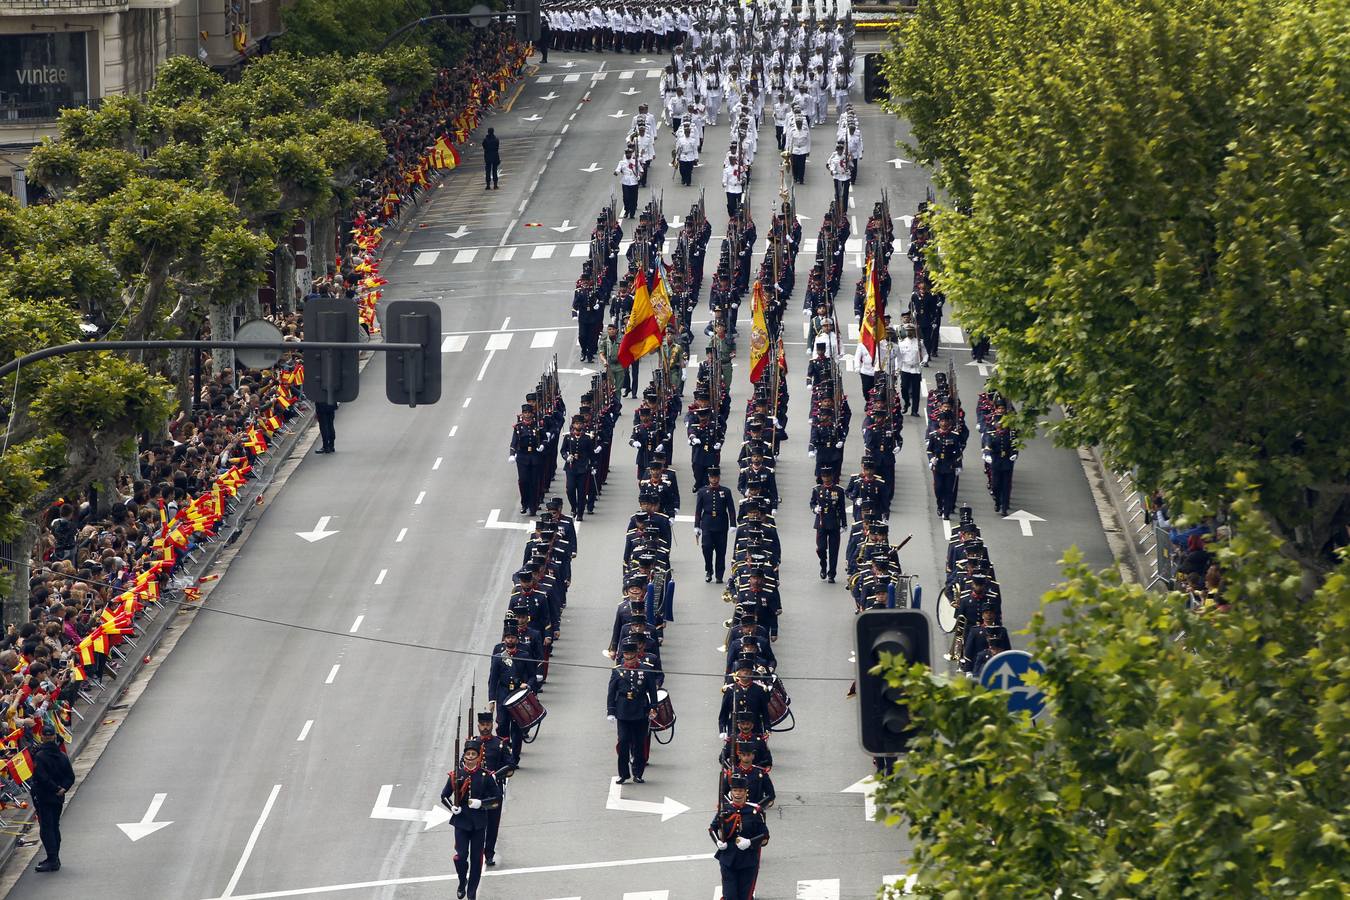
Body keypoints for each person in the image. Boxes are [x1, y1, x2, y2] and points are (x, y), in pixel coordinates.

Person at [440, 738, 503, 900]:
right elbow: (444, 795)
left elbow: (496, 799)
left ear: (478, 756)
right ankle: (462, 881)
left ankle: (471, 894)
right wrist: (452, 807)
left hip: (479, 824)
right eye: (467, 754)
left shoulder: (485, 776)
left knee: (476, 861)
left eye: (473, 754)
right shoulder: (456, 775)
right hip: (461, 822)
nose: (469, 757)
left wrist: (481, 803)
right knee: (460, 856)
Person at [606, 638, 659, 783]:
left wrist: (654, 707)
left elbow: (652, 691)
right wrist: (610, 711)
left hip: (640, 710)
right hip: (623, 710)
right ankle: (623, 774)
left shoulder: (646, 670)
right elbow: (611, 692)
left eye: (631, 657)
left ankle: (638, 773)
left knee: (639, 744)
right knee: (623, 742)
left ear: (636, 655)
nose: (628, 660)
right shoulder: (617, 671)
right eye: (626, 657)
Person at [709, 773, 770, 900]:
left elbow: (765, 836)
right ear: (731, 792)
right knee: (730, 896)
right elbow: (712, 828)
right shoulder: (724, 810)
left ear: (746, 792)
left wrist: (750, 842)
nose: (737, 793)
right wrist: (718, 842)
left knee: (745, 897)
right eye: (735, 790)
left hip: (747, 860)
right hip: (728, 859)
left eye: (741, 790)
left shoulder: (754, 811)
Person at [29, 724, 75, 873]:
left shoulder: (40, 756)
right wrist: (62, 789)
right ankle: (54, 857)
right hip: (58, 797)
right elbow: (70, 776)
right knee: (55, 826)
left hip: (45, 796)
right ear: (54, 736)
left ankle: (52, 859)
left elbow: (42, 777)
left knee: (47, 829)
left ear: (42, 737)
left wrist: (55, 789)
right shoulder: (62, 755)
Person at [695, 465, 737, 582]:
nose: (714, 480)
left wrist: (733, 524)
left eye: (716, 477)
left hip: (721, 523)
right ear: (709, 478)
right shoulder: (703, 491)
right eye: (712, 477)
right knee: (706, 547)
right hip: (707, 523)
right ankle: (709, 570)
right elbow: (698, 510)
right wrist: (697, 526)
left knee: (721, 550)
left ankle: (719, 574)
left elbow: (731, 509)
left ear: (719, 478)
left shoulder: (726, 491)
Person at [810, 468, 847, 582]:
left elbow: (842, 508)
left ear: (832, 476)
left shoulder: (839, 490)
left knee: (833, 550)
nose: (826, 478)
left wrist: (843, 524)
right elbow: (812, 503)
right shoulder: (817, 490)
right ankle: (823, 565)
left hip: (834, 523)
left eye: (828, 476)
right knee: (821, 548)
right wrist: (815, 509)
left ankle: (832, 574)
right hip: (821, 523)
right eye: (824, 476)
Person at [615, 148, 641, 219]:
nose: (628, 154)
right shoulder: (621, 162)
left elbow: (641, 170)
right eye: (627, 153)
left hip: (634, 181)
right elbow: (618, 169)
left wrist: (639, 176)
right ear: (625, 154)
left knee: (634, 198)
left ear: (631, 153)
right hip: (625, 182)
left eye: (629, 153)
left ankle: (632, 213)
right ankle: (627, 211)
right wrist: (616, 172)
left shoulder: (635, 162)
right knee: (626, 198)